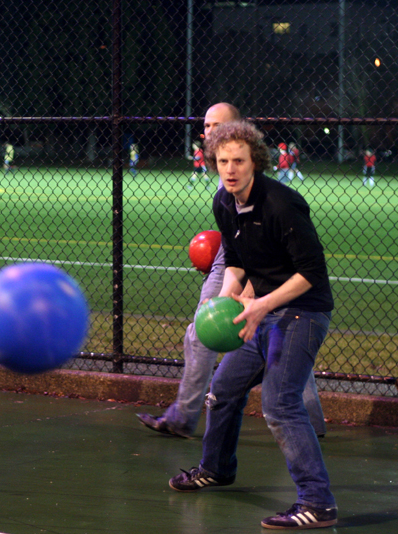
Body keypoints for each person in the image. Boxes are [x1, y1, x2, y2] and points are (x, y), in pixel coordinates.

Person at [167, 120, 337, 530]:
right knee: (223, 390)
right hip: (261, 309)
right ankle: (217, 467)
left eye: (239, 161)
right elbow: (238, 259)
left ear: (255, 162)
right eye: (223, 161)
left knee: (280, 403)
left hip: (302, 312)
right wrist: (229, 296)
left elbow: (311, 272)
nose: (230, 169)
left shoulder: (281, 204)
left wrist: (261, 304)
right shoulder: (224, 203)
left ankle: (318, 502)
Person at [137, 103, 326, 439]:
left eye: (217, 126)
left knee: (208, 333)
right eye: (207, 126)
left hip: (251, 262)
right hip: (236, 259)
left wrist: (251, 288)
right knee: (276, 336)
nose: (209, 133)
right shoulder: (224, 192)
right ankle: (310, 420)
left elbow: (274, 255)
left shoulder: (274, 199)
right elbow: (236, 243)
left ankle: (183, 417)